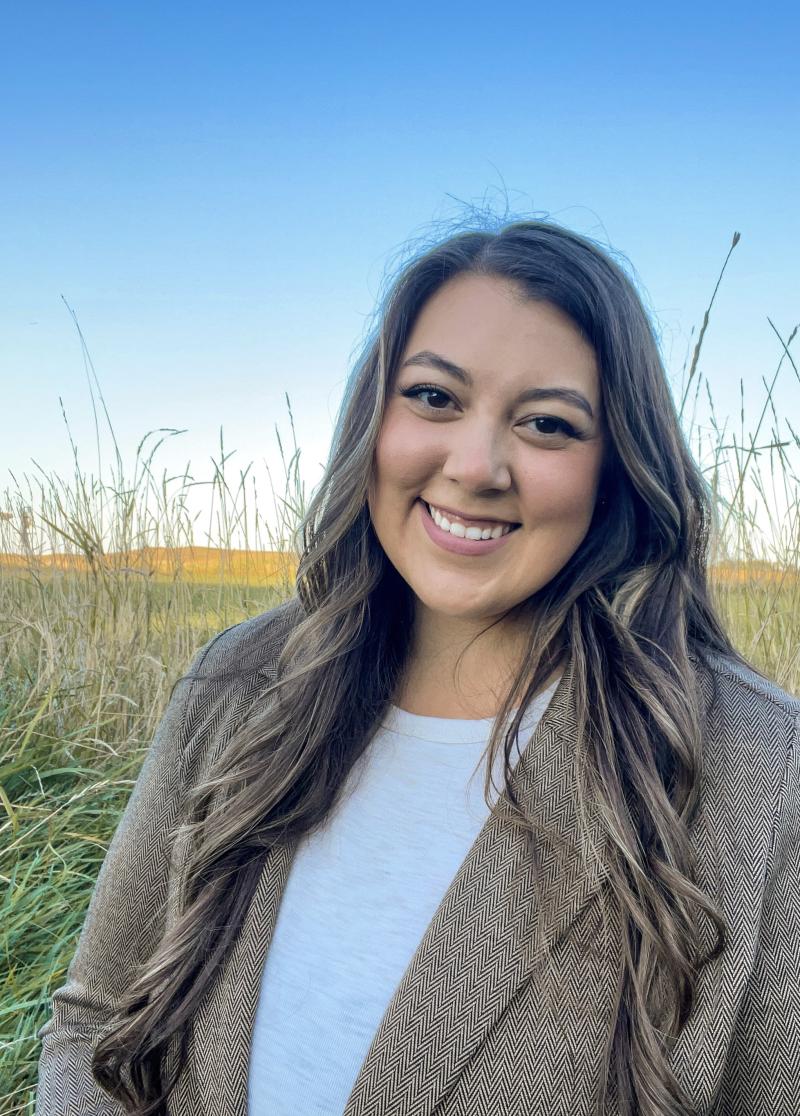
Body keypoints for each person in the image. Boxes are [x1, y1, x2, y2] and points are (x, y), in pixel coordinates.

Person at [36, 219, 800, 1116]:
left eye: (548, 424)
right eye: (435, 398)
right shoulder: (240, 681)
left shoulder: (756, 764)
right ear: (376, 419)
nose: (475, 466)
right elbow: (94, 1020)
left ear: (619, 466)